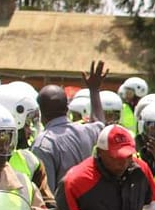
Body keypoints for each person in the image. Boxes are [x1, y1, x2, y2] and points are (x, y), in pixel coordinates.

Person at [32, 61, 109, 191]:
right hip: (93, 209)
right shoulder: (88, 131)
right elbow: (100, 122)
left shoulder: (43, 144)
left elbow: (46, 194)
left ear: (41, 113)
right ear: (67, 108)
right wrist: (94, 90)